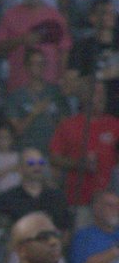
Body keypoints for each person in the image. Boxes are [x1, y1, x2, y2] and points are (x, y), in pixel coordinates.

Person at [0, 0, 71, 94]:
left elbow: (64, 50)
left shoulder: (56, 16)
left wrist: (62, 77)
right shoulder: (10, 14)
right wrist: (20, 40)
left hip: (49, 84)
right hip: (19, 85)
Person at [49, 82, 119, 214]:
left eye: (103, 93)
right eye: (97, 93)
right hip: (79, 201)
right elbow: (54, 158)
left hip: (110, 203)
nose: (102, 97)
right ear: (84, 96)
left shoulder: (114, 124)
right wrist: (78, 163)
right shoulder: (68, 125)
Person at [3, 49, 71, 154]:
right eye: (33, 63)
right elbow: (17, 131)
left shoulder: (56, 92)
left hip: (54, 152)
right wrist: (34, 113)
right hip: (27, 152)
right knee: (34, 166)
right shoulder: (15, 96)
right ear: (26, 66)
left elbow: (66, 125)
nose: (37, 67)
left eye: (40, 63)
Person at [0, 148, 72, 233]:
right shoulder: (5, 200)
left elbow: (66, 230)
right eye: (31, 163)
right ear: (20, 168)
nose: (37, 167)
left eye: (41, 162)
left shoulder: (57, 197)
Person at [66, 0, 119, 117]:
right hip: (93, 116)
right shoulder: (82, 47)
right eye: (105, 13)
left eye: (112, 12)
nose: (110, 16)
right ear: (93, 18)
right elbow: (69, 87)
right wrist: (100, 75)